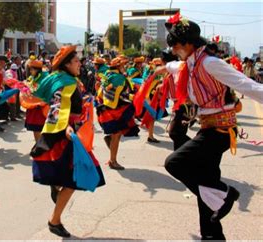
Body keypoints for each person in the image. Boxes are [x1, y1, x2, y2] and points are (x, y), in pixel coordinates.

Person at [157, 13, 263, 240]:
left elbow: (248, 85)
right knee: (206, 182)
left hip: (220, 131)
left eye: (175, 45)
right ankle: (212, 235)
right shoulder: (191, 62)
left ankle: (226, 195)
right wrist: (163, 69)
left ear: (187, 44)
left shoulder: (210, 63)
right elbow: (176, 66)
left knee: (174, 163)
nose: (174, 50)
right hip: (209, 128)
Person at [30, 45, 105, 237]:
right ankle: (54, 220)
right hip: (67, 135)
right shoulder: (66, 82)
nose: (80, 63)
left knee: (70, 177)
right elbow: (57, 106)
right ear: (66, 64)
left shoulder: (65, 79)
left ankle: (55, 191)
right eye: (76, 61)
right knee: (74, 179)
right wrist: (66, 127)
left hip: (70, 132)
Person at [96, 56, 137, 170]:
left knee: (116, 134)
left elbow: (100, 93)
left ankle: (112, 156)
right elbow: (121, 94)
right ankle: (113, 161)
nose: (125, 67)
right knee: (117, 135)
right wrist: (133, 97)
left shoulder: (107, 75)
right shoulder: (119, 78)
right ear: (118, 66)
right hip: (115, 110)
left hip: (106, 108)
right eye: (123, 65)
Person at [23, 60, 48, 141]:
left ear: (37, 70)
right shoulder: (31, 78)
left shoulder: (45, 78)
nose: (30, 71)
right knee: (36, 130)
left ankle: (40, 148)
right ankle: (38, 146)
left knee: (40, 129)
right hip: (33, 107)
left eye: (32, 69)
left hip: (42, 108)